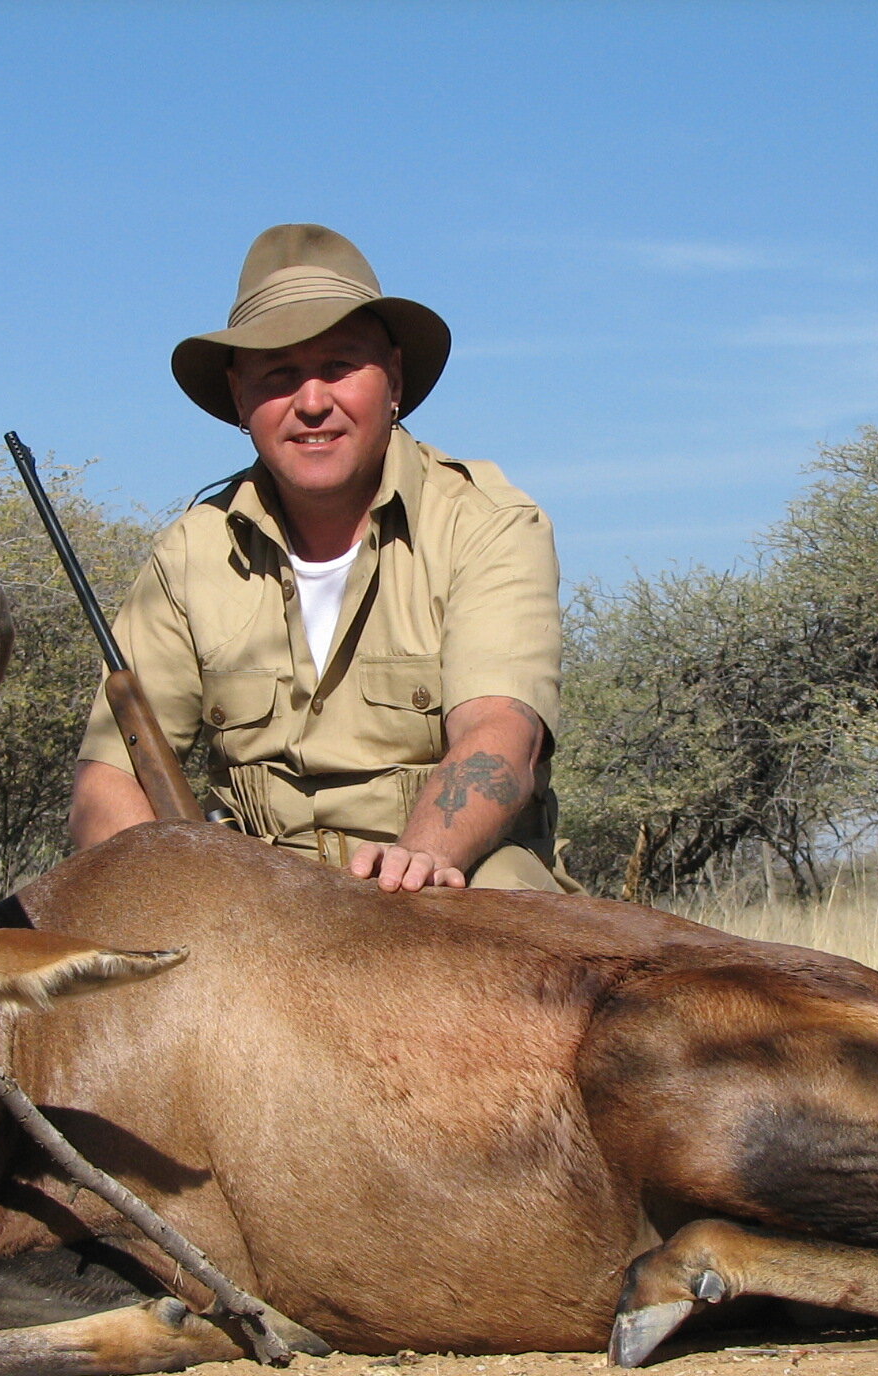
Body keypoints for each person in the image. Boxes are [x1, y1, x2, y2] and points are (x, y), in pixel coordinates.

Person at [68, 224, 574, 894]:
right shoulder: (189, 552)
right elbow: (109, 776)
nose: (312, 403)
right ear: (241, 399)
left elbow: (500, 732)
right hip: (261, 902)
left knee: (506, 901)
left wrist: (418, 860)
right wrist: (175, 898)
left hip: (438, 881)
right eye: (279, 375)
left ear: (392, 378)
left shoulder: (486, 522)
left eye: (338, 367)